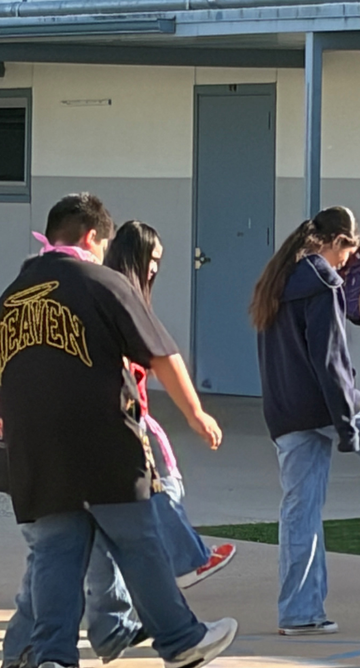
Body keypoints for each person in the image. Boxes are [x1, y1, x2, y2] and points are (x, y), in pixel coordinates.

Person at [0, 193, 237, 668]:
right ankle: (181, 642)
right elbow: (160, 352)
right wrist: (196, 413)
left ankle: (54, 662)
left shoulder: (10, 295)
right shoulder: (102, 282)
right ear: (93, 238)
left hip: (33, 446)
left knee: (56, 552)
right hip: (100, 441)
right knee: (138, 541)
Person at [251, 206, 360, 637]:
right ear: (338, 241)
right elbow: (331, 360)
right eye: (349, 252)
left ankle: (301, 612)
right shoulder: (322, 282)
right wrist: (346, 424)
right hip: (324, 404)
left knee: (300, 510)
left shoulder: (277, 278)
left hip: (286, 410)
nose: (348, 262)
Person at [104, 220, 236, 588]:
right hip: (129, 414)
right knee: (164, 482)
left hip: (112, 415)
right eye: (153, 259)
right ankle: (185, 559)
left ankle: (120, 599)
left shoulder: (100, 292)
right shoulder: (124, 298)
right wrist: (196, 415)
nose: (155, 268)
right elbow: (164, 357)